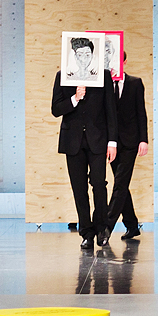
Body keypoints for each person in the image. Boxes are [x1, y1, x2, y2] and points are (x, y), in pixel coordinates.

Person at [51, 58, 118, 249]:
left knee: (99, 184)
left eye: (87, 53)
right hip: (72, 141)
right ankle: (86, 233)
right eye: (79, 53)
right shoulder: (63, 76)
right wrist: (75, 98)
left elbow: (111, 110)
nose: (83, 57)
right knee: (79, 189)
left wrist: (112, 142)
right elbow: (56, 109)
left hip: (98, 139)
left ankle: (102, 229)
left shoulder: (103, 76)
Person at [107, 52, 147, 240]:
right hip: (111, 143)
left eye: (117, 61)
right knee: (121, 184)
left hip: (131, 141)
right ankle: (132, 225)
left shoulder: (135, 83)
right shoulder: (104, 84)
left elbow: (141, 112)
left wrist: (143, 139)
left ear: (124, 61)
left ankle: (106, 227)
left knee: (120, 183)